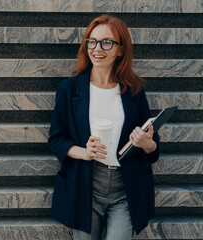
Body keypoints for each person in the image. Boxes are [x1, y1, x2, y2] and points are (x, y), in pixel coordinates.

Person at [48, 14, 160, 240]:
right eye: (92, 41)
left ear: (120, 49)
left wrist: (148, 144)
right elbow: (57, 139)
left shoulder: (134, 90)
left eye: (106, 42)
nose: (97, 48)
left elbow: (153, 150)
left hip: (125, 187)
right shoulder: (69, 89)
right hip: (84, 185)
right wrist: (85, 152)